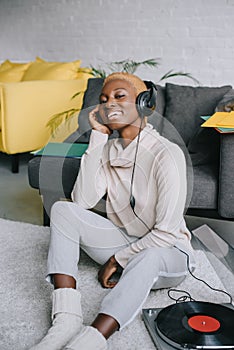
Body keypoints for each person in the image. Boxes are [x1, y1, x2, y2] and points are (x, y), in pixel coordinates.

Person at [30, 72, 195, 350]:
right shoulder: (108, 151)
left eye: (120, 97)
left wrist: (118, 259)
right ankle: (67, 317)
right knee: (62, 210)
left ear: (144, 104)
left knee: (150, 256)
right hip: (124, 239)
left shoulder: (167, 154)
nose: (109, 105)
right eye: (104, 100)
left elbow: (166, 233)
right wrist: (97, 138)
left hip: (168, 252)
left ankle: (93, 339)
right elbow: (81, 201)